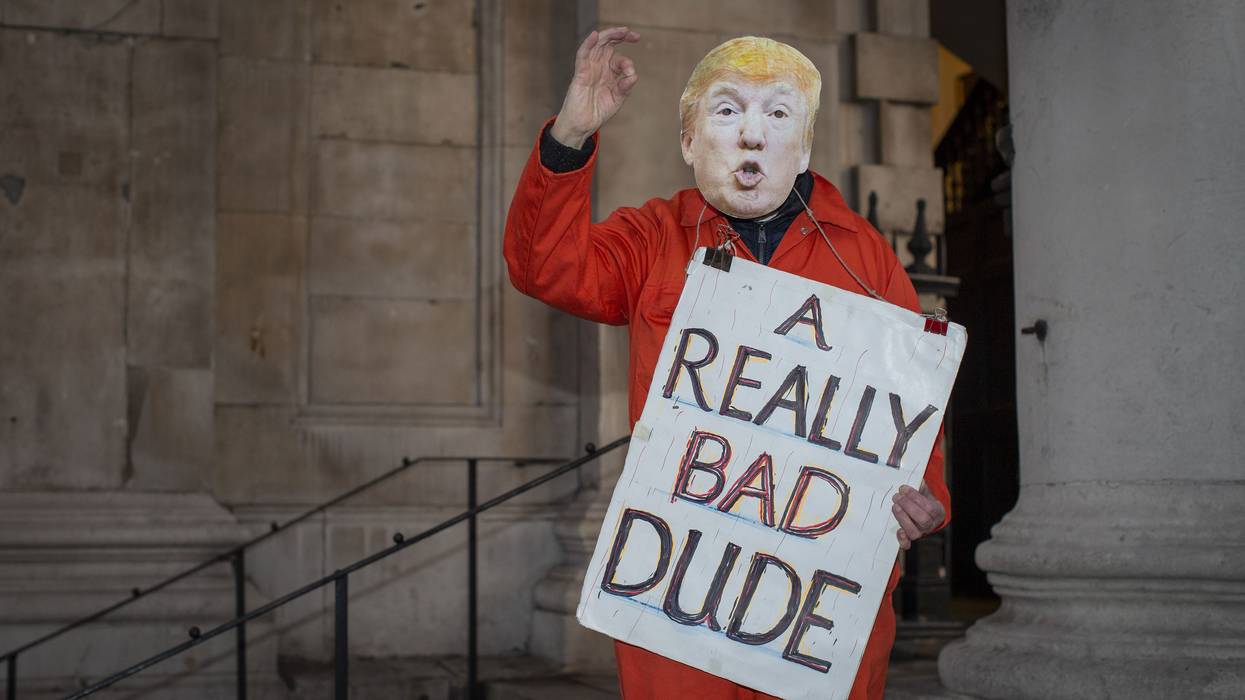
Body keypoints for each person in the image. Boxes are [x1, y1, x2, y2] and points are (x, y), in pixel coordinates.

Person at [503, 28, 950, 700]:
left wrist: (927, 499)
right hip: (682, 601)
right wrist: (569, 134)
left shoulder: (865, 259)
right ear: (688, 143)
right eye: (725, 111)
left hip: (814, 605)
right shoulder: (651, 239)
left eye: (777, 114)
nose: (751, 135)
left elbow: (910, 406)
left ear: (803, 147)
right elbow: (543, 266)